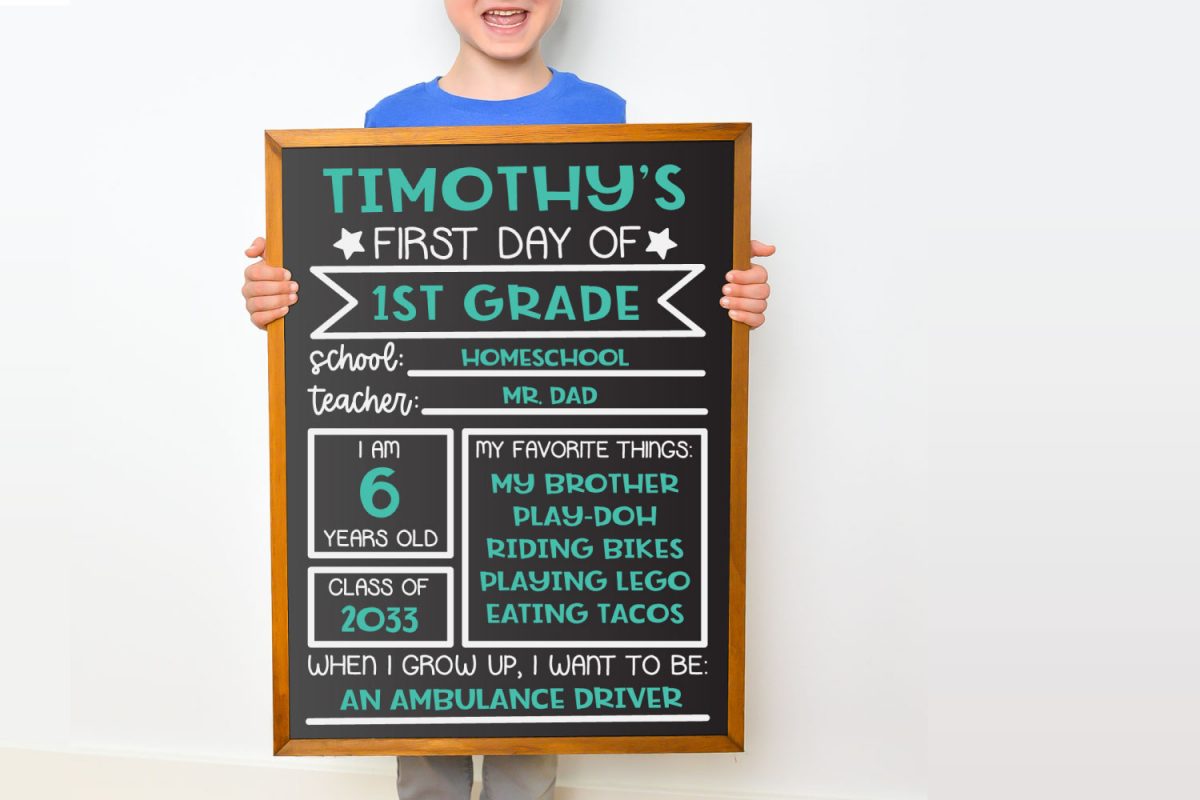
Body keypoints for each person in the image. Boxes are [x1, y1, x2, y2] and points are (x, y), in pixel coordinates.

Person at [240, 2, 773, 798]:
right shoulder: (387, 125)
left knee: (535, 691)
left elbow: (640, 287)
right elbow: (342, 291)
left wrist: (728, 291)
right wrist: (275, 296)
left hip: (556, 454)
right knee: (418, 691)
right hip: (415, 445)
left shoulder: (606, 119)